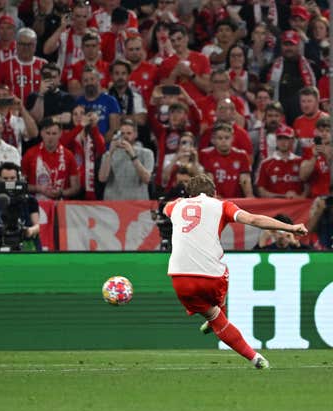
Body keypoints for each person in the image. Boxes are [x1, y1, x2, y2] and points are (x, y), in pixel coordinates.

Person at [164, 173, 308, 369]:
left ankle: (255, 358)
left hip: (179, 277)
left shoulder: (176, 206)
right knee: (223, 271)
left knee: (214, 318)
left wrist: (180, 200)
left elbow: (166, 208)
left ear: (189, 195)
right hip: (211, 276)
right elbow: (254, 219)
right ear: (214, 193)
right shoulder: (221, 205)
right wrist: (290, 228)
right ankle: (221, 315)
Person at [0, 162, 41, 252]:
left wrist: (29, 231)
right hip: (0, 247)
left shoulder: (30, 200)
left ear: (18, 178)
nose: (9, 181)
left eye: (12, 178)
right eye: (5, 179)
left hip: (26, 246)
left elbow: (37, 226)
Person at [98, 118, 154, 200]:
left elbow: (147, 179)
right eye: (122, 133)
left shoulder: (146, 153)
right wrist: (110, 153)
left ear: (135, 134)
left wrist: (133, 155)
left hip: (137, 203)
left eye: (129, 133)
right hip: (113, 203)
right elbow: (102, 178)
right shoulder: (108, 154)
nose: (125, 136)